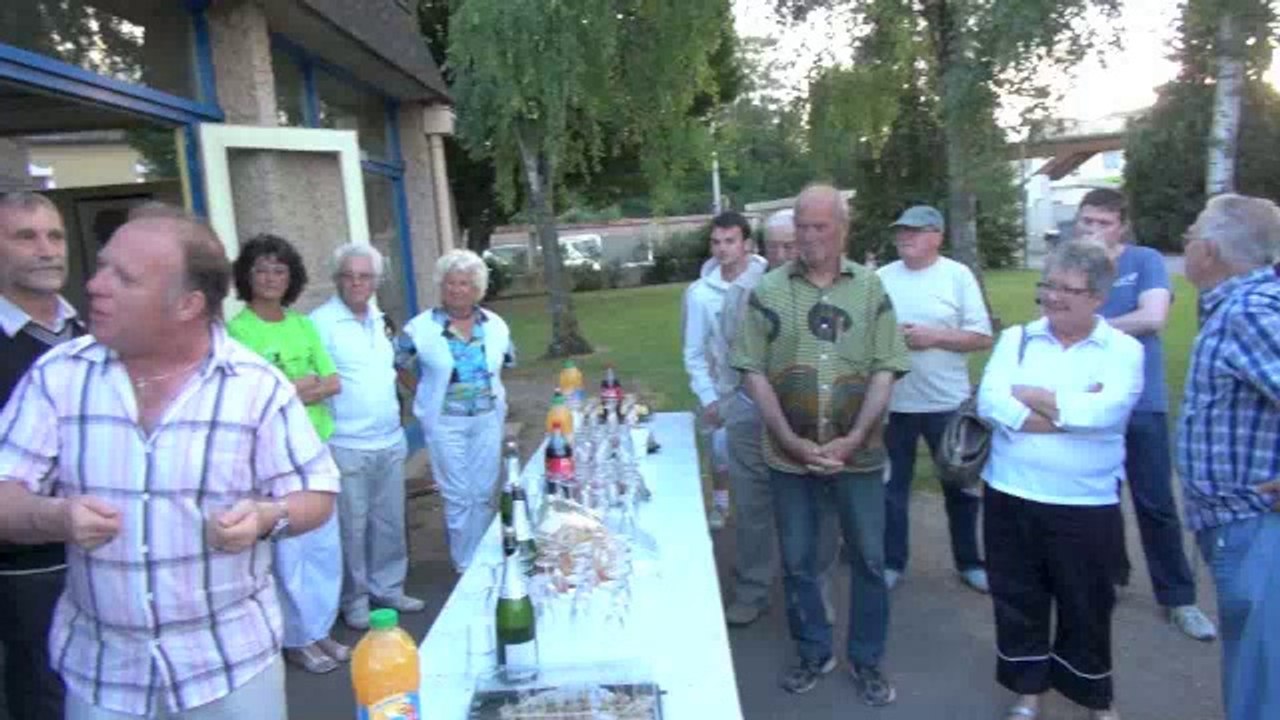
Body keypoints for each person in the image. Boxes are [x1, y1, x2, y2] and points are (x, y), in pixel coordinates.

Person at [0, 208, 339, 719]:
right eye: (102, 267)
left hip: (231, 668)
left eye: (124, 277)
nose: (94, 284)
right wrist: (54, 517)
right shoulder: (59, 376)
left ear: (187, 304)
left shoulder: (255, 388)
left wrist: (268, 518)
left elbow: (317, 494)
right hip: (103, 676)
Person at [732, 184, 909, 705]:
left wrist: (854, 438)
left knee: (870, 561)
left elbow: (886, 367)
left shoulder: (872, 289)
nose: (809, 237)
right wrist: (787, 438)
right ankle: (813, 651)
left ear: (842, 229)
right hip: (789, 457)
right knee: (799, 561)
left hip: (861, 454)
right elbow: (751, 369)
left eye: (819, 227)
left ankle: (867, 659)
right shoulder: (768, 290)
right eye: (802, 227)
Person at [977, 240, 1142, 720]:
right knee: (1018, 600)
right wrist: (1070, 407)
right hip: (1011, 493)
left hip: (1085, 503)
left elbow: (1107, 412)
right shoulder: (1019, 339)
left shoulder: (1123, 350)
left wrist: (1029, 396)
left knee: (1087, 605)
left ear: (1097, 298)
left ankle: (1095, 698)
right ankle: (1028, 694)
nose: (1051, 298)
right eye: (1047, 285)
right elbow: (991, 403)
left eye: (1066, 290)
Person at [1073, 188, 1216, 641]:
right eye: (1087, 221)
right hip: (1090, 398)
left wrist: (1089, 327)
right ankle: (1112, 576)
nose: (1093, 230)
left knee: (1155, 500)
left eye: (1103, 222)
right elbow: (1056, 314)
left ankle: (1179, 597)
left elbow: (1152, 317)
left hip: (1141, 401)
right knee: (1100, 497)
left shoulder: (1145, 260)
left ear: (1122, 225)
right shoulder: (1073, 263)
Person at [1178, 193, 1280, 720]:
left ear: (1211, 251)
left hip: (1255, 526)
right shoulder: (1237, 305)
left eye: (1192, 234)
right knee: (1253, 665)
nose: (1187, 244)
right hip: (1238, 523)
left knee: (1263, 680)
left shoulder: (1249, 312)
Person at [228, 234, 347, 674]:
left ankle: (320, 629)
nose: (272, 278)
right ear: (247, 276)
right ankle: (295, 637)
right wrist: (300, 387)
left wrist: (292, 389)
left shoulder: (302, 325)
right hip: (273, 457)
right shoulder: (239, 330)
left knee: (324, 547)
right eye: (262, 270)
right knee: (289, 552)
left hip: (316, 445)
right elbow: (252, 395)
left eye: (280, 270)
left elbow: (333, 381)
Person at [877, 205, 993, 593]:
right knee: (892, 489)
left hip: (947, 404)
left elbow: (981, 336)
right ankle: (892, 562)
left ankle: (970, 562)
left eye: (913, 230)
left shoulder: (957, 277)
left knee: (960, 487)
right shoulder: (880, 278)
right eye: (900, 231)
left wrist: (933, 337)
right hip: (893, 404)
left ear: (937, 236)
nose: (904, 237)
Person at [310, 244, 424, 631]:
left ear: (376, 281)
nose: (357, 283)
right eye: (349, 275)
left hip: (389, 439)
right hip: (346, 443)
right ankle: (355, 599)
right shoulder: (321, 323)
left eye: (365, 276)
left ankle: (388, 588)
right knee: (352, 527)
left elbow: (394, 370)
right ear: (337, 279)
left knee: (390, 522)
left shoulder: (380, 318)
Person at [0, 191, 81, 718]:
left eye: (54, 235)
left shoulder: (93, 333)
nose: (46, 249)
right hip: (25, 566)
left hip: (102, 558)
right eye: (25, 236)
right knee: (44, 697)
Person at [396, 249, 514, 572]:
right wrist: (420, 390)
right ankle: (465, 565)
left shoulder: (495, 325)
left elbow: (506, 362)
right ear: (441, 286)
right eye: (450, 283)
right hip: (445, 423)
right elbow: (398, 363)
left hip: (487, 420)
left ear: (477, 288)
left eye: (465, 283)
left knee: (485, 492)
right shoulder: (420, 328)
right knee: (459, 495)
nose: (457, 290)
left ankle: (486, 558)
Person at [682, 211, 767, 531]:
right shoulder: (699, 294)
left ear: (746, 244)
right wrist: (709, 398)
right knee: (720, 452)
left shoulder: (768, 280)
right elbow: (693, 352)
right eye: (716, 242)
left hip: (770, 389)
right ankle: (721, 504)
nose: (722, 249)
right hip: (725, 391)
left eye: (730, 241)